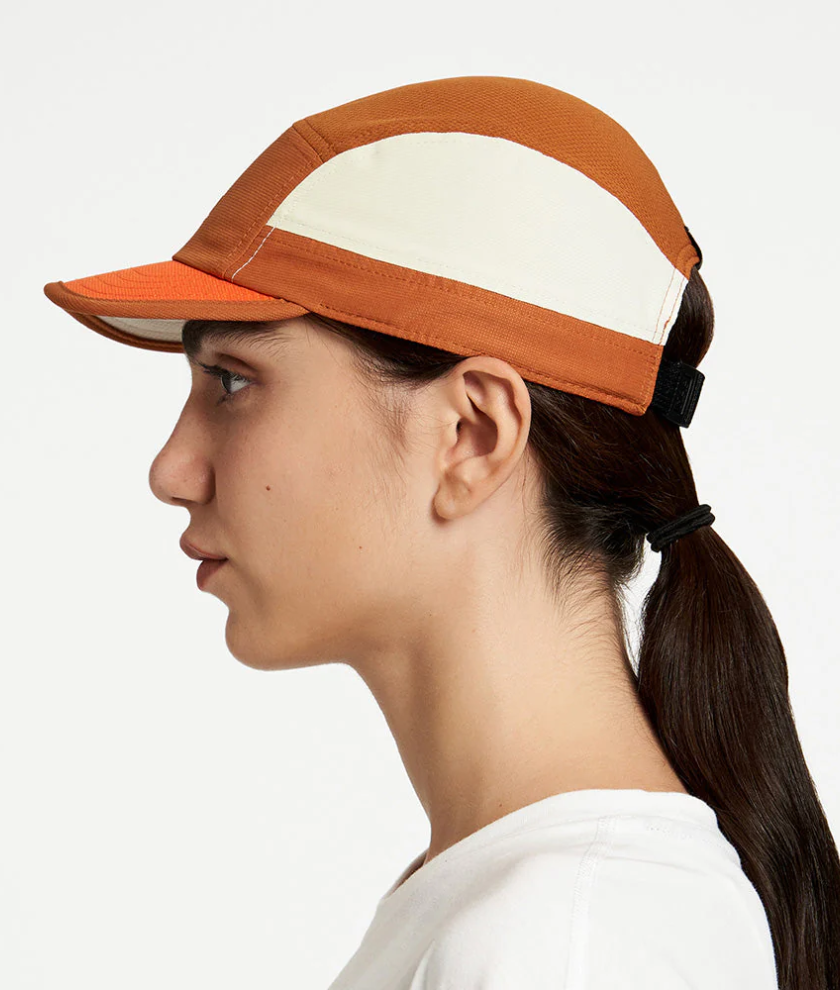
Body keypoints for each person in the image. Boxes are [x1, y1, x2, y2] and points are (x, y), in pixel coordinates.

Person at [43, 75, 839, 989]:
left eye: (232, 381)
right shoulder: (530, 905)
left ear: (472, 435)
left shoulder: (569, 939)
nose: (171, 470)